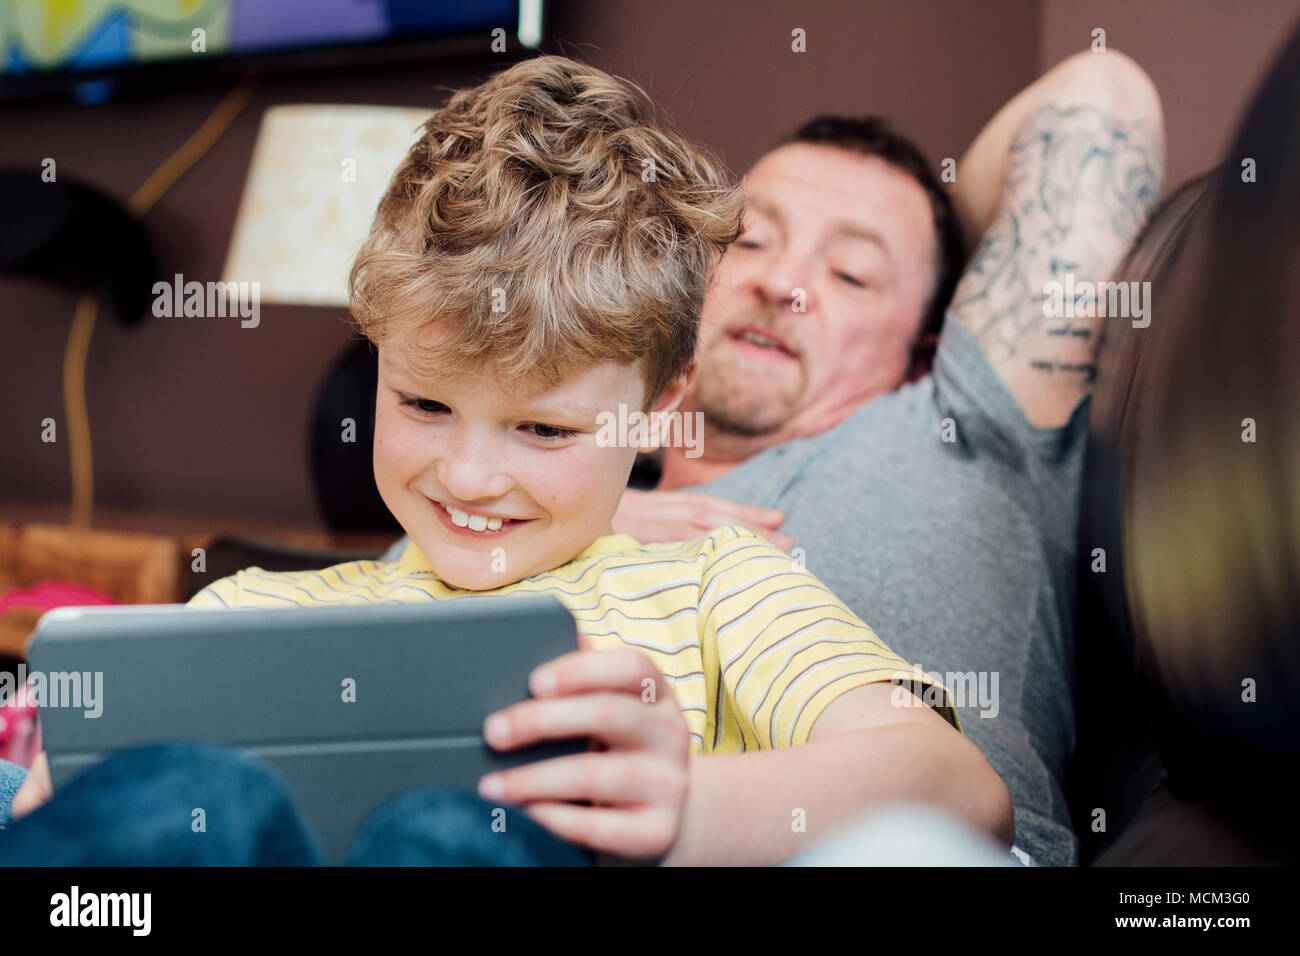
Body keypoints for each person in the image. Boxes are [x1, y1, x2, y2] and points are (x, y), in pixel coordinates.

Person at [1, 55, 1010, 866]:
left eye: (544, 430)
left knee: (452, 825)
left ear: (659, 408)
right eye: (424, 404)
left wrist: (679, 808)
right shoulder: (250, 613)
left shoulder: (716, 586)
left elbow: (960, 793)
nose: (470, 476)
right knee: (183, 794)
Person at [380, 51, 1167, 865]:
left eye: (853, 273)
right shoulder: (529, 485)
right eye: (749, 242)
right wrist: (584, 511)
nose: (784, 282)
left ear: (927, 350)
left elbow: (1102, 97)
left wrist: (946, 241)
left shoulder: (968, 420)